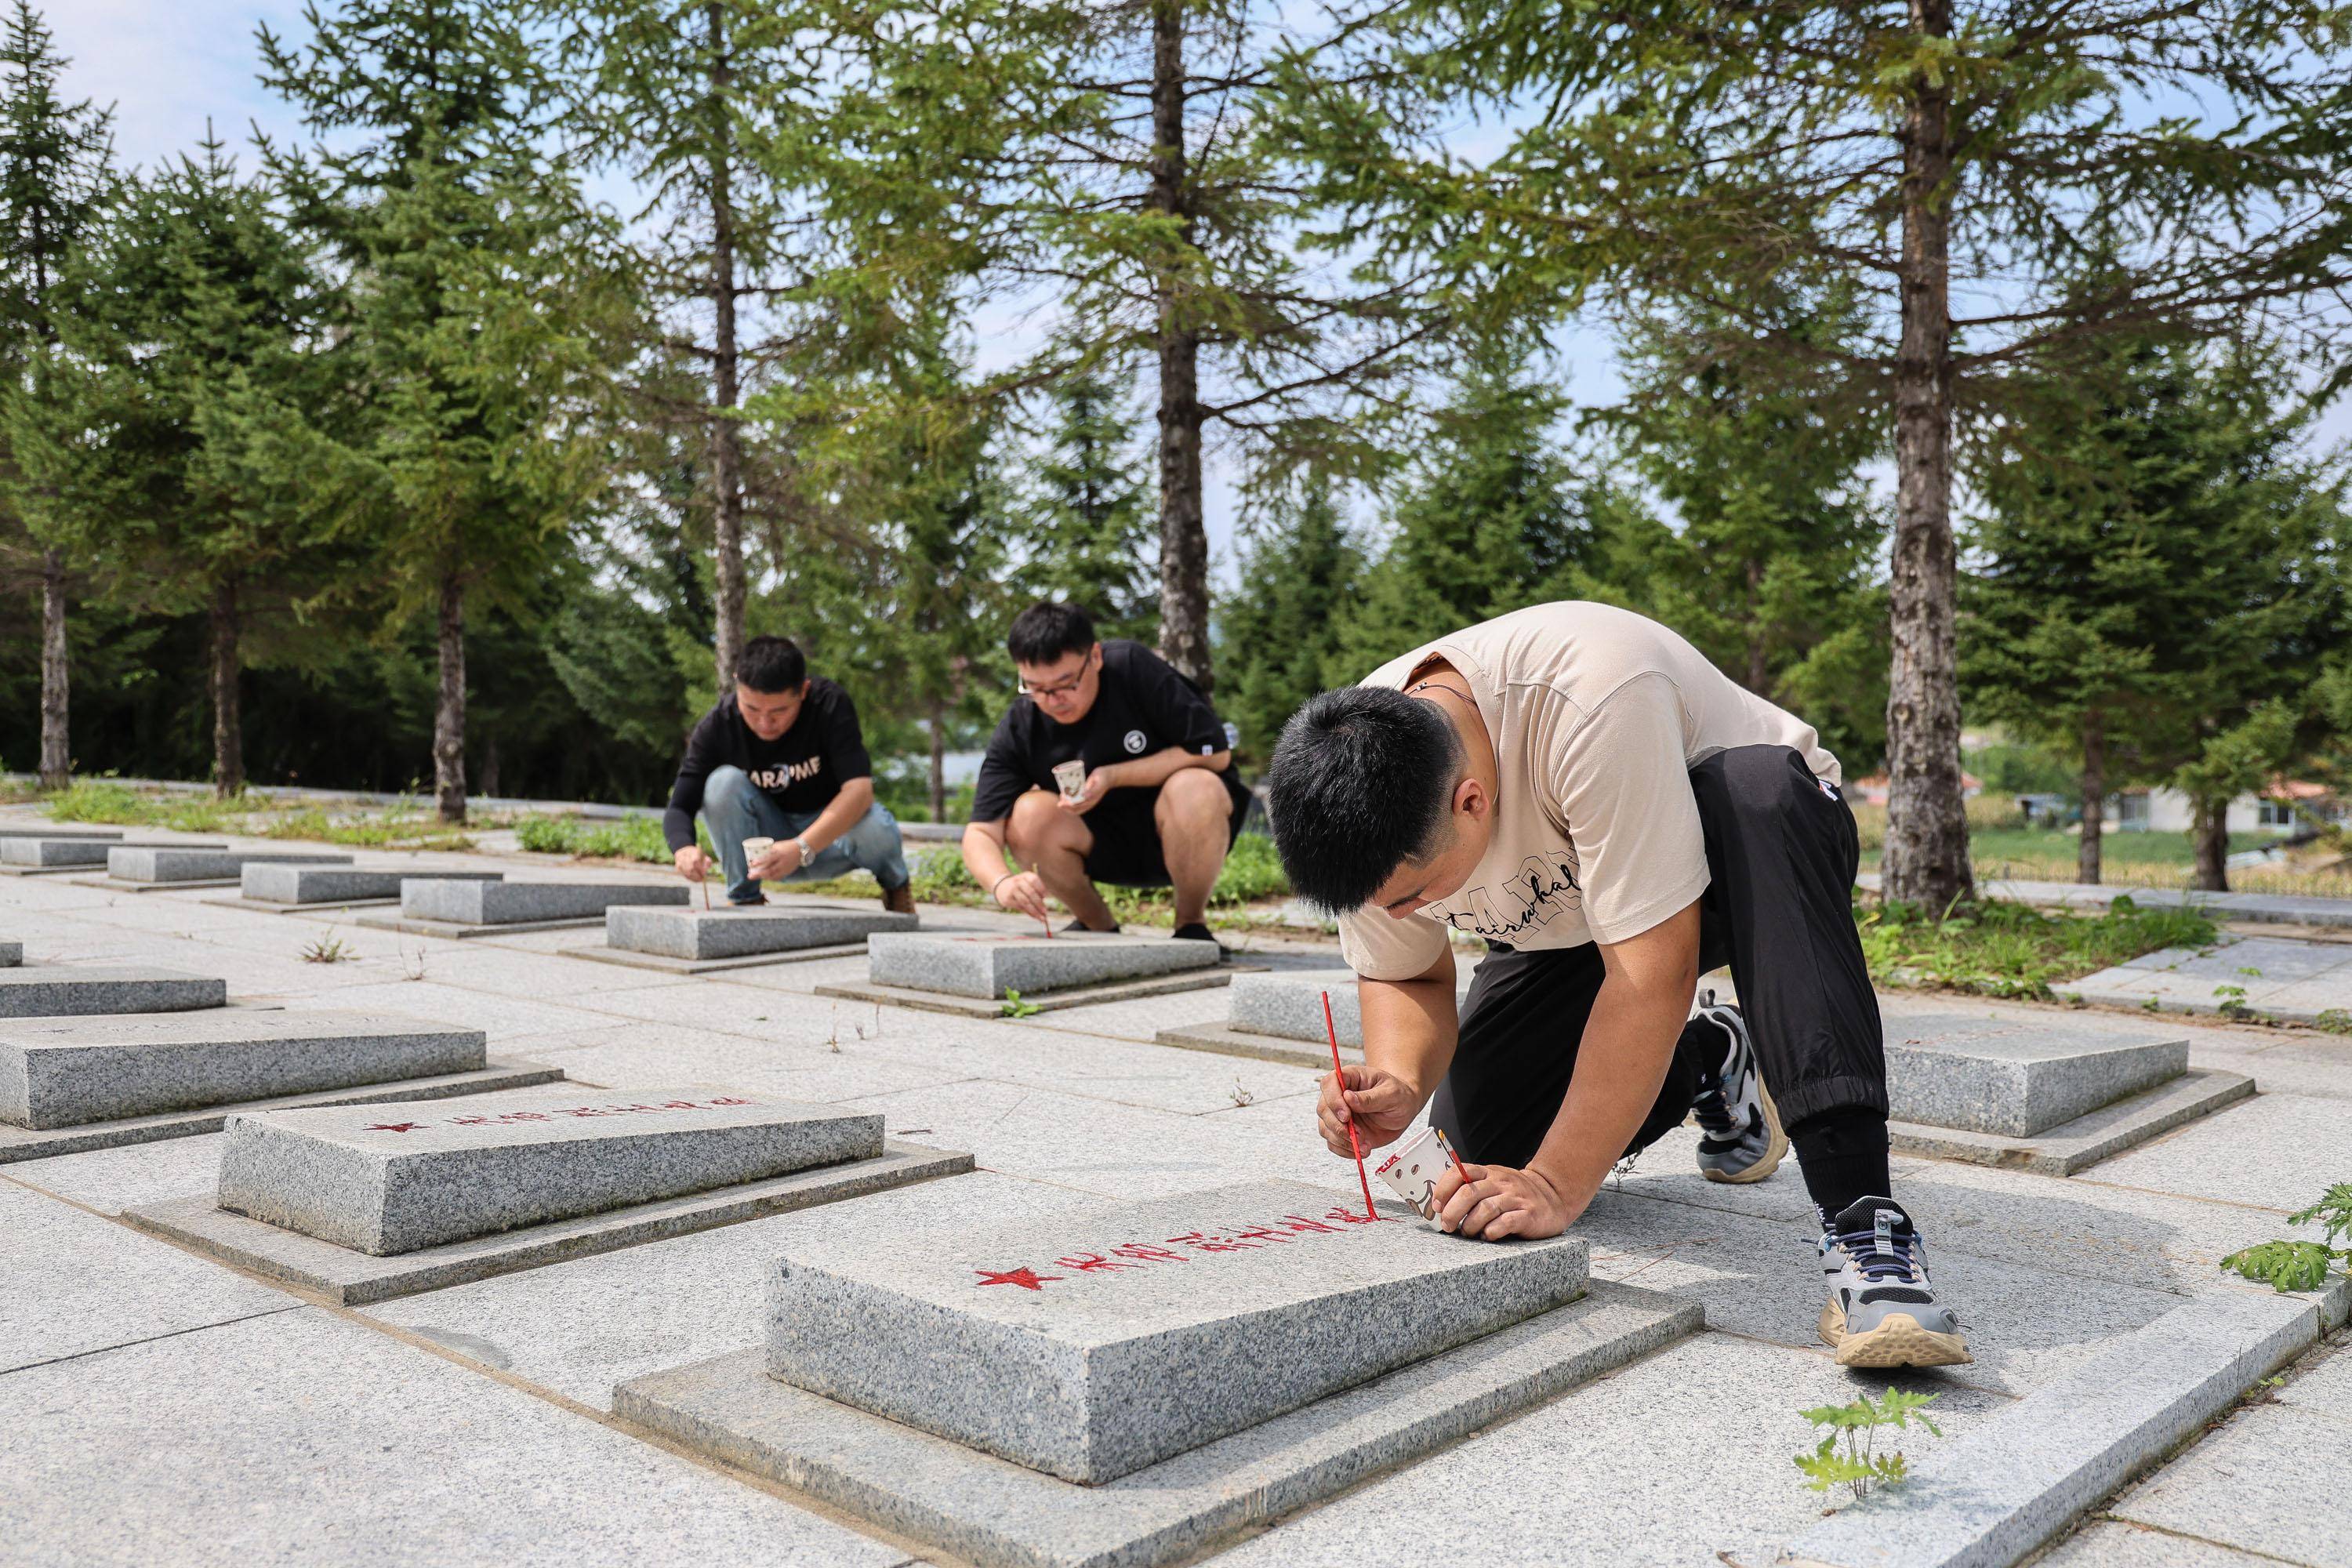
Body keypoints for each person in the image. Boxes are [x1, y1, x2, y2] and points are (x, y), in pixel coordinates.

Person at [1261, 601, 1970, 1370]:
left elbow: (1651, 973)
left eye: (1413, 898)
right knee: (1484, 1163)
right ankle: (1712, 1055)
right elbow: (1407, 971)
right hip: (1572, 918)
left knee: (1756, 787)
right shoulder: (1357, 772)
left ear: (1471, 801)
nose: (1402, 917)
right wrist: (1399, 1080)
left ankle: (1866, 1227)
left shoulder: (1591, 695)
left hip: (1754, 859)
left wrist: (1559, 1183)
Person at [962, 602, 1250, 944]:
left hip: (1181, 835)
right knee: (1028, 813)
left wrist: (1114, 776)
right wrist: (1002, 883)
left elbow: (1215, 752)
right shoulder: (1022, 725)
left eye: (1066, 683)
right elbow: (980, 830)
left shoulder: (1131, 668)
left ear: (1095, 658)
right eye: (1036, 688)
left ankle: (1190, 924)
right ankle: (1096, 925)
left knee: (1196, 786)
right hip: (1096, 847)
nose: (1054, 700)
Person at [663, 635, 914, 913]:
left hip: (834, 841)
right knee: (721, 784)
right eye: (752, 708)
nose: (764, 723)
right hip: (767, 851)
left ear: (803, 691)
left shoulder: (829, 704)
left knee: (877, 826)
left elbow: (860, 791)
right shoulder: (718, 725)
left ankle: (896, 887)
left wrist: (802, 847)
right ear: (737, 685)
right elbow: (680, 806)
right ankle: (744, 896)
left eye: (779, 711)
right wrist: (683, 849)